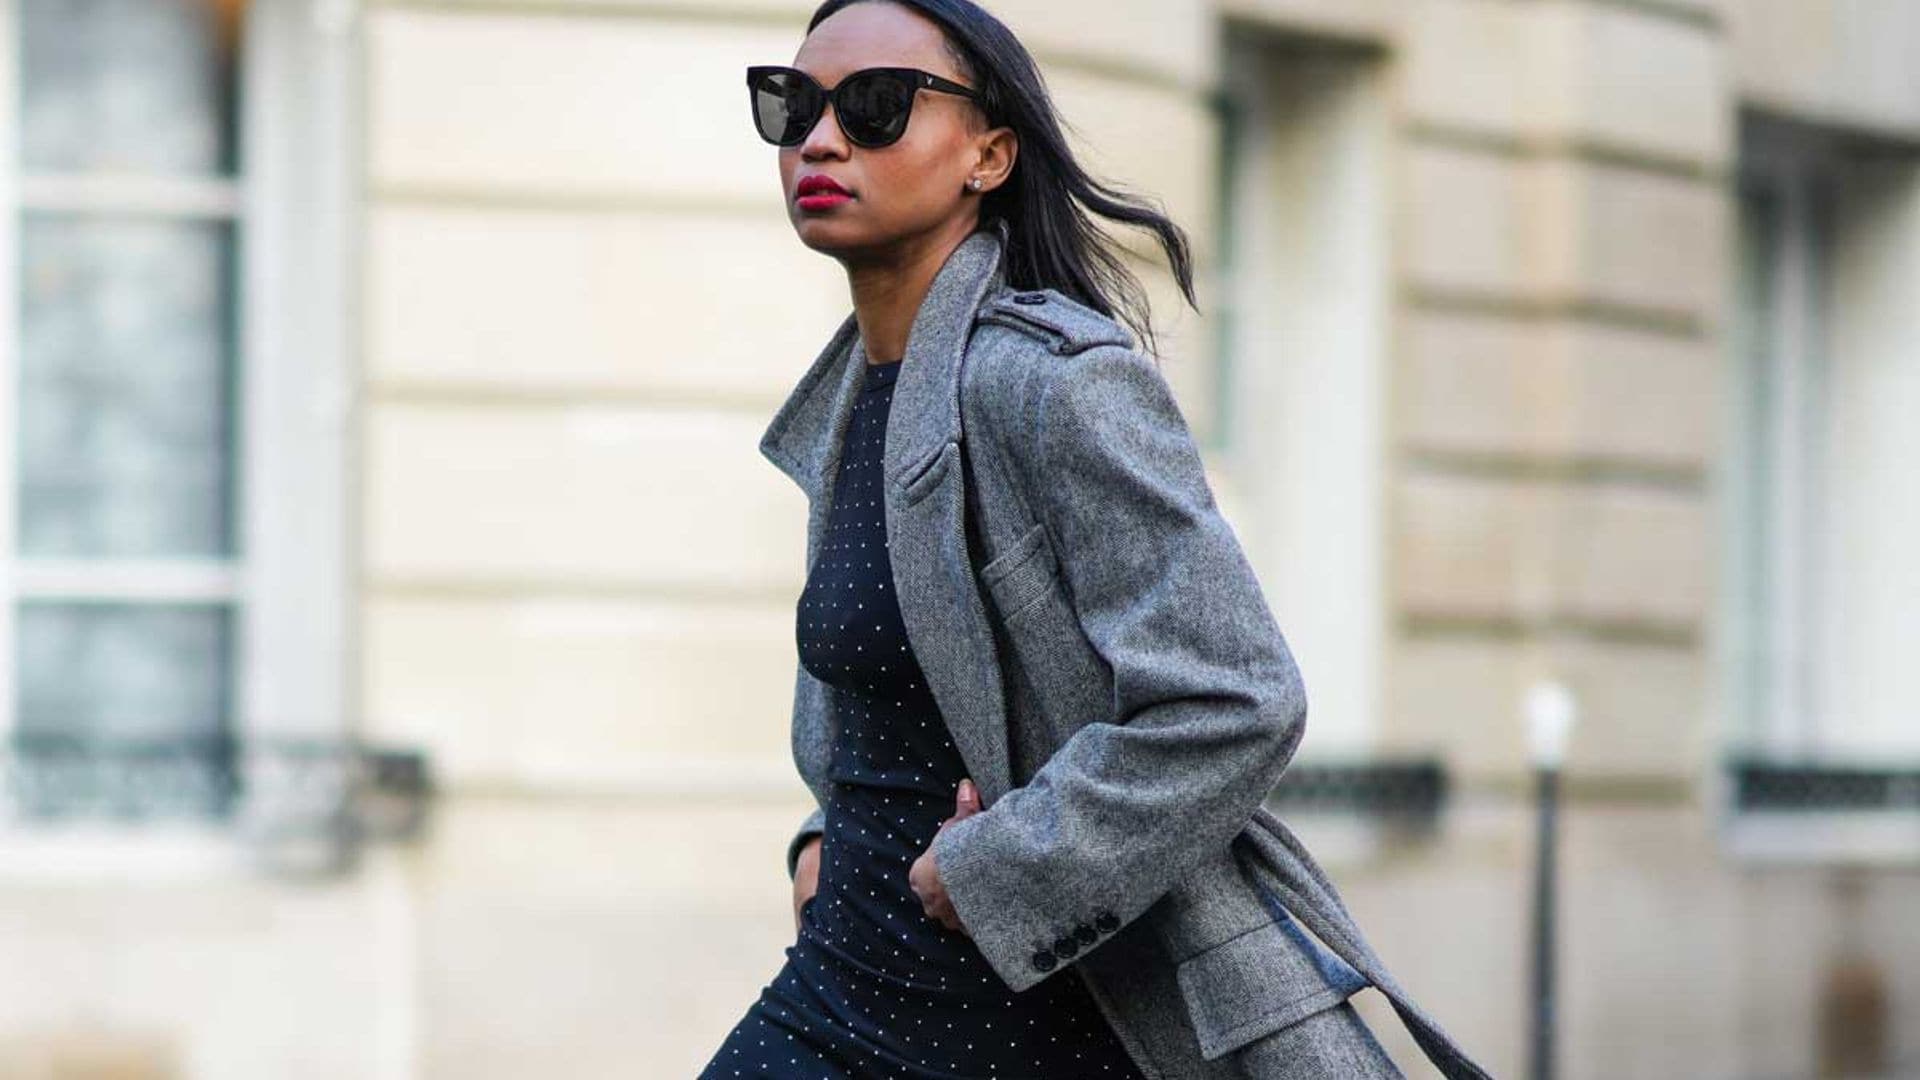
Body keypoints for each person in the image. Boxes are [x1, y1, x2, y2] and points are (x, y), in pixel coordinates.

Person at [705, 1, 1489, 1077]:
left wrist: (998, 871)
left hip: (1036, 1025)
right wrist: (819, 843)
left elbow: (1236, 698)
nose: (823, 140)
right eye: (793, 106)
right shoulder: (851, 404)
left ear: (989, 153)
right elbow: (894, 704)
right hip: (845, 991)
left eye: (878, 106)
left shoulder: (1056, 385)